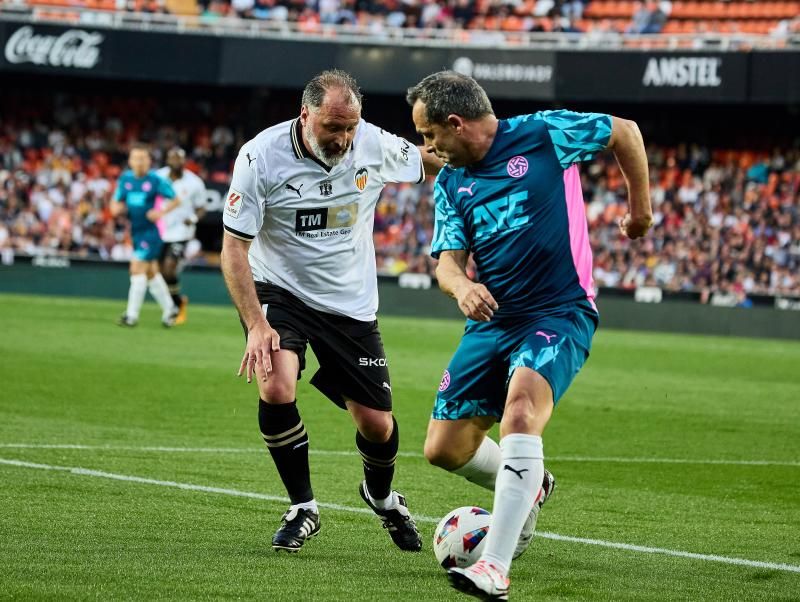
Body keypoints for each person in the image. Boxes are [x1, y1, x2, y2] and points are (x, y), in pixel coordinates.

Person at [407, 71, 653, 600]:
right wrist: (460, 286)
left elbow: (625, 132)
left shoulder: (543, 134)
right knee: (443, 449)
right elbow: (447, 265)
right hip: (493, 319)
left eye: (430, 137)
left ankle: (494, 566)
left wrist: (640, 212)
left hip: (559, 311)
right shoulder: (452, 183)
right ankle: (528, 481)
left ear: (456, 123)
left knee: (521, 412)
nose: (429, 150)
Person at [220, 69, 442, 554]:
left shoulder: (372, 143)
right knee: (276, 382)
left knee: (377, 424)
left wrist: (479, 157)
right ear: (306, 115)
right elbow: (233, 248)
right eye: (333, 128)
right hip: (281, 290)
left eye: (350, 128)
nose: (344, 139)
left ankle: (381, 498)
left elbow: (425, 160)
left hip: (350, 302)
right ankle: (303, 507)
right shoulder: (260, 157)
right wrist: (257, 323)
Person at [111, 144, 181, 328]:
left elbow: (175, 199)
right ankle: (170, 309)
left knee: (136, 269)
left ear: (149, 161)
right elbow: (115, 201)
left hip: (152, 232)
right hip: (136, 231)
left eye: (143, 158)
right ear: (130, 161)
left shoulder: (156, 180)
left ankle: (131, 316)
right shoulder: (125, 179)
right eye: (136, 158)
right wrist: (116, 208)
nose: (140, 162)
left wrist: (160, 213)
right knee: (150, 273)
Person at [156, 147, 208, 325]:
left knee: (170, 267)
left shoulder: (194, 182)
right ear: (167, 160)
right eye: (172, 158)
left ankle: (175, 306)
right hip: (159, 229)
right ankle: (176, 302)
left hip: (180, 231)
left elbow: (202, 208)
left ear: (184, 161)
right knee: (160, 272)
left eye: (179, 158)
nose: (175, 162)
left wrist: (192, 218)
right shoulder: (158, 177)